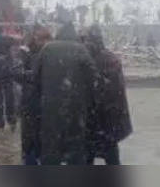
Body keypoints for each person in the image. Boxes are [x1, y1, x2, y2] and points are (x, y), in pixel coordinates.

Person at [32, 22, 98, 165]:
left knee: (51, 144)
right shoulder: (81, 49)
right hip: (75, 105)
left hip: (51, 105)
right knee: (75, 144)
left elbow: (35, 77)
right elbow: (93, 76)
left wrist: (42, 96)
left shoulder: (47, 48)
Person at [84, 25, 132, 165]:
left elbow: (106, 87)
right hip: (108, 118)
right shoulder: (111, 58)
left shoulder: (89, 59)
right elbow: (115, 89)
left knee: (90, 154)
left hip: (96, 117)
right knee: (110, 154)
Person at [17, 26, 52, 165]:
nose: (43, 42)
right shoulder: (26, 53)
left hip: (45, 104)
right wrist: (35, 75)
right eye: (40, 39)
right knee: (29, 141)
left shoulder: (51, 55)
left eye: (45, 39)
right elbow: (16, 72)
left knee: (43, 141)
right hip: (30, 102)